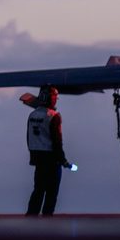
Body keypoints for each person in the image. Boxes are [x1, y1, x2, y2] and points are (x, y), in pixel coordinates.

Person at [24, 86, 69, 216]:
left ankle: (30, 220)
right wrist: (63, 160)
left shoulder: (32, 115)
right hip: (52, 161)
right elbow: (57, 141)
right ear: (52, 99)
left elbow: (28, 137)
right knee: (51, 194)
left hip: (38, 159)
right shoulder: (54, 116)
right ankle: (46, 222)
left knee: (38, 191)